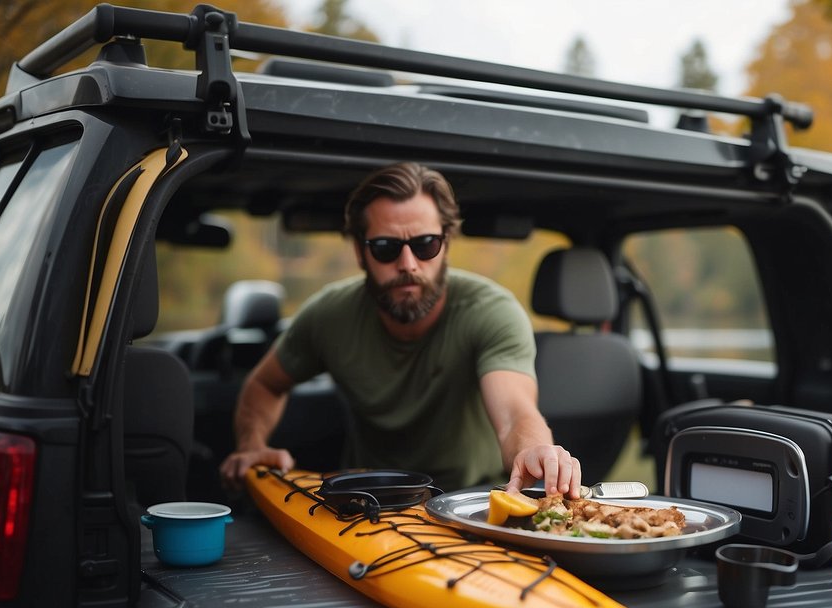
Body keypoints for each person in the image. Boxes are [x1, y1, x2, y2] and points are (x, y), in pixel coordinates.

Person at [219, 162, 581, 496]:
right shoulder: (329, 315)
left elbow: (515, 412)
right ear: (361, 254)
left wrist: (535, 450)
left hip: (473, 501)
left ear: (446, 244)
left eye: (425, 245)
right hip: (365, 501)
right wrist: (251, 446)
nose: (408, 264)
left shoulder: (491, 312)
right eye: (386, 248)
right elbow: (265, 384)